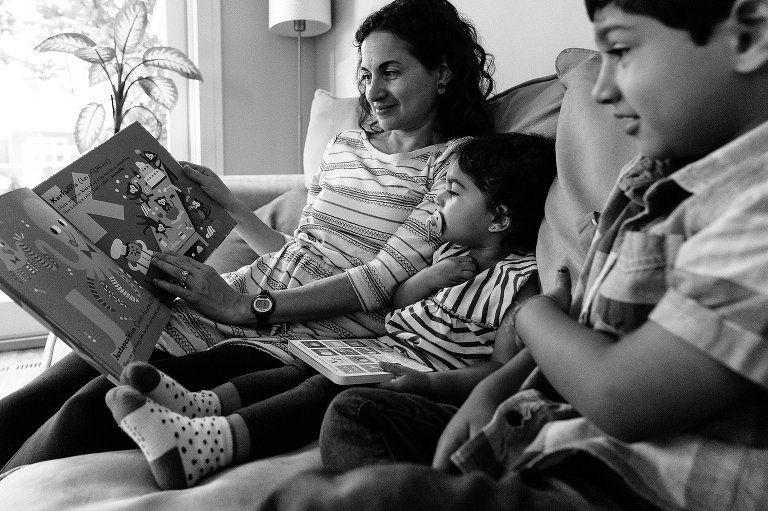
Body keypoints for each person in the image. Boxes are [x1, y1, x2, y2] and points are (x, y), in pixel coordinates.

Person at [258, 1, 768, 510]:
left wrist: (532, 314)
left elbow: (623, 397)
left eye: (620, 50)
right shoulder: (649, 181)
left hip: (623, 483)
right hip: (545, 428)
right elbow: (591, 330)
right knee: (359, 412)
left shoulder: (754, 213)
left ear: (748, 36)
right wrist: (494, 390)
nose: (603, 89)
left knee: (319, 501)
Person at [0, 0, 497, 472]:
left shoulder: (455, 166)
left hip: (294, 337)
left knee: (89, 409)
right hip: (240, 297)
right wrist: (229, 206)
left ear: (443, 72)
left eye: (391, 71)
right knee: (61, 377)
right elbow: (304, 251)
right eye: (366, 74)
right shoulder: (346, 144)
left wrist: (246, 309)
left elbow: (378, 282)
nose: (372, 91)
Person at [103, 132, 555, 489]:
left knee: (318, 393)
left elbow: (502, 369)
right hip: (383, 352)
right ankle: (202, 404)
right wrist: (429, 279)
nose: (439, 200)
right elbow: (400, 301)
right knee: (297, 373)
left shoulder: (519, 282)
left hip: (424, 378)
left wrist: (431, 384)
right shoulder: (449, 254)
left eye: (453, 193)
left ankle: (211, 444)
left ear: (498, 218)